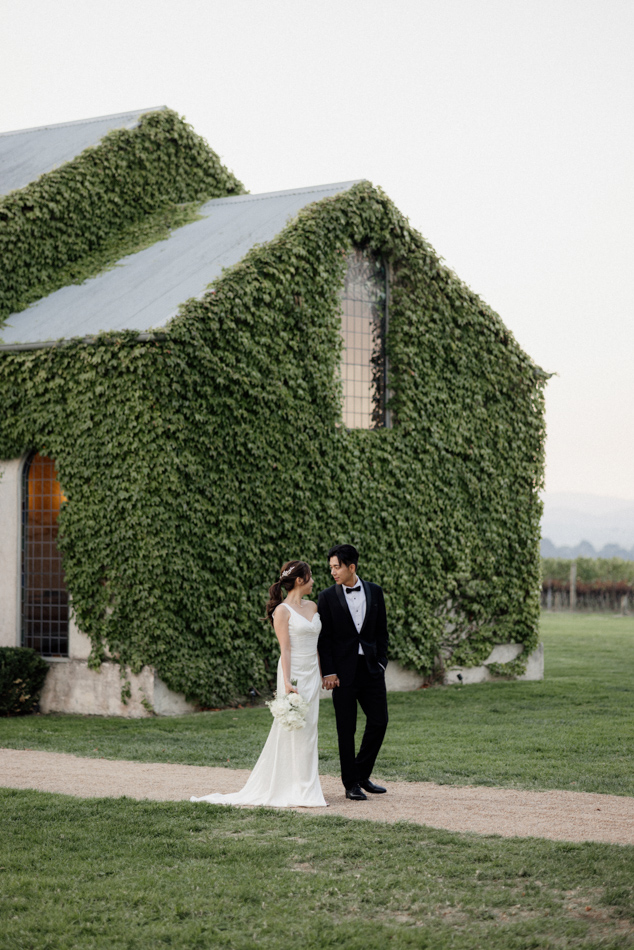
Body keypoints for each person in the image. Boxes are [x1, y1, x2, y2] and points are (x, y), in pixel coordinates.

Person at [191, 560, 327, 808]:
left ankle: (306, 786)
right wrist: (287, 682)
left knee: (309, 730)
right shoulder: (282, 611)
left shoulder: (313, 606)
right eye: (310, 576)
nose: (314, 581)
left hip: (311, 674)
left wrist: (319, 673)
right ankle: (295, 787)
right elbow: (285, 649)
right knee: (293, 729)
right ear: (300, 580)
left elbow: (317, 645)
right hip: (293, 673)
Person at [317, 544, 389, 801]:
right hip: (342, 674)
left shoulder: (375, 591)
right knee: (346, 729)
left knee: (379, 721)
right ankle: (351, 784)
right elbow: (324, 638)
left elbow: (381, 631)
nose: (333, 572)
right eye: (331, 568)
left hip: (371, 670)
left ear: (352, 567)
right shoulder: (326, 597)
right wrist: (329, 672)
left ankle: (361, 774)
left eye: (337, 567)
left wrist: (381, 663)